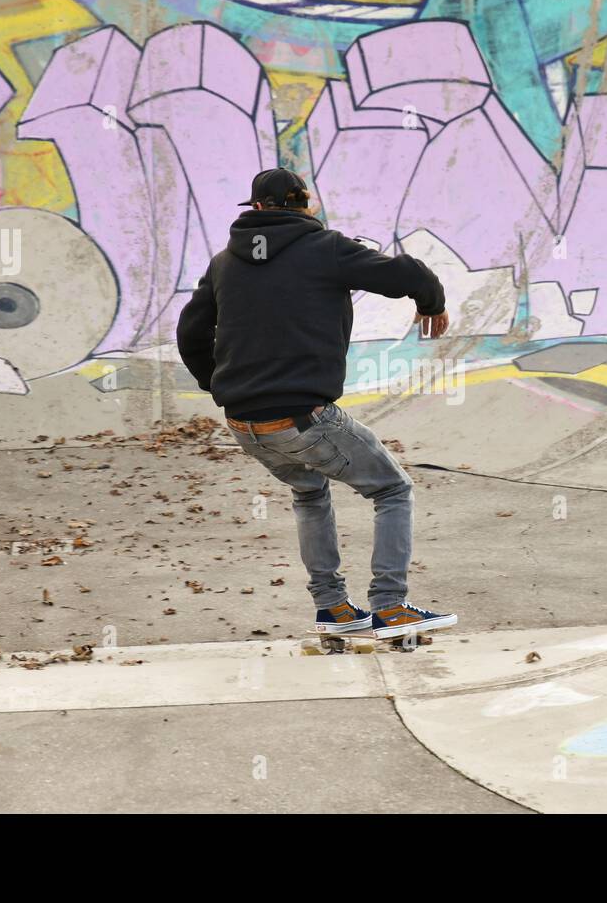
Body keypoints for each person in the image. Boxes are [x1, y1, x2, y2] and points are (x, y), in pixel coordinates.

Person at [177, 168, 456, 641]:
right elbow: (407, 273)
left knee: (309, 493)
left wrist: (222, 384)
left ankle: (333, 609)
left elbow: (190, 332)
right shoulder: (324, 248)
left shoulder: (224, 262)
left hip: (244, 424)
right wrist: (431, 303)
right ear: (303, 203)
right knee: (391, 490)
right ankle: (389, 606)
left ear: (257, 208)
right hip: (304, 418)